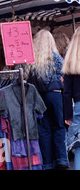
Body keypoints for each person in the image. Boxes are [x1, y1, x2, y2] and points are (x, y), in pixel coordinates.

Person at [25, 29, 69, 170]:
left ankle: (48, 163)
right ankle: (61, 160)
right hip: (54, 94)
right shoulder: (55, 57)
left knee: (44, 129)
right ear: (50, 41)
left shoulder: (31, 60)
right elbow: (64, 74)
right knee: (58, 126)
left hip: (38, 96)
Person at [62, 28, 80, 170]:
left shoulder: (70, 61)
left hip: (78, 107)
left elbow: (66, 92)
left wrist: (67, 115)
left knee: (78, 146)